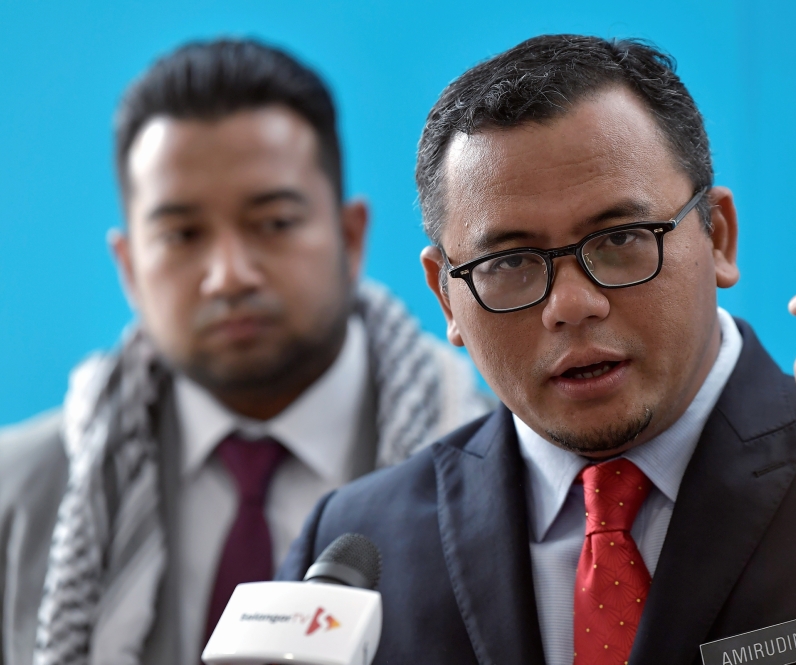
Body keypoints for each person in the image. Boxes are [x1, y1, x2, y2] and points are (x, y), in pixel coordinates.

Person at [279, 35, 796, 664]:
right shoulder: (354, 550)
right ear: (446, 298)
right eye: (510, 262)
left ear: (718, 237)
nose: (571, 304)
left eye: (621, 239)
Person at [0, 39, 492, 665]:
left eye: (274, 222)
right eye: (182, 234)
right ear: (128, 267)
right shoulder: (17, 497)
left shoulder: (502, 474)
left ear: (350, 237)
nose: (229, 275)